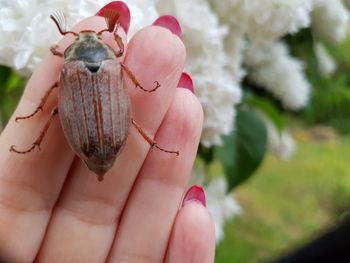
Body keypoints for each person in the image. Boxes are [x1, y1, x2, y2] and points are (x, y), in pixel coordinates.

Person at [0, 2, 216, 262]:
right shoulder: (114, 64)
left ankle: (35, 141)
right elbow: (118, 52)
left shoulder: (68, 67)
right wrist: (114, 38)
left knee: (60, 113)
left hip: (86, 141)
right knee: (131, 118)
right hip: (111, 138)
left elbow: (55, 54)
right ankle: (152, 143)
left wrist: (64, 39)